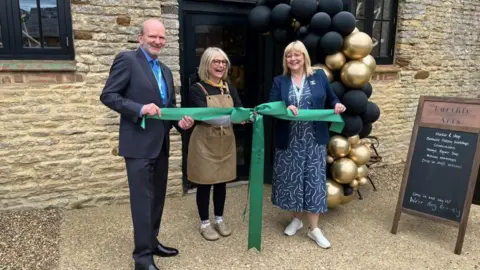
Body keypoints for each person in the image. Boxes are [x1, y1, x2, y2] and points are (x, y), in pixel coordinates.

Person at [99, 19, 194, 270]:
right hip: (138, 146)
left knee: (157, 200)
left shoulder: (165, 70)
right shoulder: (127, 60)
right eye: (153, 37)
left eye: (162, 38)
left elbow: (169, 107)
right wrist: (139, 109)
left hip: (160, 144)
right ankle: (142, 259)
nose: (158, 42)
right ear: (140, 38)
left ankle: (151, 243)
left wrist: (180, 124)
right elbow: (109, 95)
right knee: (142, 202)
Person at [269, 41, 346, 249]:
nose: (293, 59)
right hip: (290, 140)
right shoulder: (280, 81)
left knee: (313, 182)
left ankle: (314, 229)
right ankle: (296, 218)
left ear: (304, 57)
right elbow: (272, 105)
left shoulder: (319, 76)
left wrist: (337, 105)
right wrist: (285, 107)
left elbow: (332, 98)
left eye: (297, 55)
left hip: (313, 140)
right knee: (292, 182)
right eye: (288, 56)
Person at [187, 47, 244, 241]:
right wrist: (235, 118)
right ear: (206, 64)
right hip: (205, 142)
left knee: (222, 182)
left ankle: (219, 219)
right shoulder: (197, 89)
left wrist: (247, 116)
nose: (220, 65)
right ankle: (204, 223)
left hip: (225, 141)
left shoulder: (229, 87)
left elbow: (239, 110)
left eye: (223, 62)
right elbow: (207, 117)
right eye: (216, 61)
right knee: (205, 183)